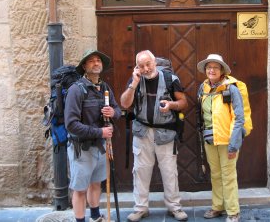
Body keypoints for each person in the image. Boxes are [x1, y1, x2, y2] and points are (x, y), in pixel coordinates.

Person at [120, 50, 189, 222]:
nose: (145, 68)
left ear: (154, 62)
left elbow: (184, 103)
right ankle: (140, 208)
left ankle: (175, 207)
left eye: (148, 64)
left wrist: (172, 105)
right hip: (142, 133)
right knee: (141, 172)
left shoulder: (170, 79)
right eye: (141, 66)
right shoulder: (135, 80)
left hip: (165, 133)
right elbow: (124, 103)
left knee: (169, 172)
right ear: (137, 67)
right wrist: (133, 84)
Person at [64, 49, 122, 222]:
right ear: (84, 66)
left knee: (96, 183)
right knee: (80, 189)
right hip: (82, 149)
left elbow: (118, 110)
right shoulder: (76, 90)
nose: (96, 63)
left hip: (101, 147)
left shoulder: (104, 87)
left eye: (98, 60)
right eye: (91, 61)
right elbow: (71, 124)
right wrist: (100, 132)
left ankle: (95, 217)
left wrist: (113, 112)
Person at [196, 54, 245, 222]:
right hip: (210, 140)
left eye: (215, 67)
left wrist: (234, 144)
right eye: (209, 67)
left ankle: (233, 211)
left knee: (228, 176)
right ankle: (218, 206)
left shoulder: (231, 89)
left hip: (227, 141)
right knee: (215, 175)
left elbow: (239, 118)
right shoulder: (203, 89)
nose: (211, 70)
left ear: (222, 70)